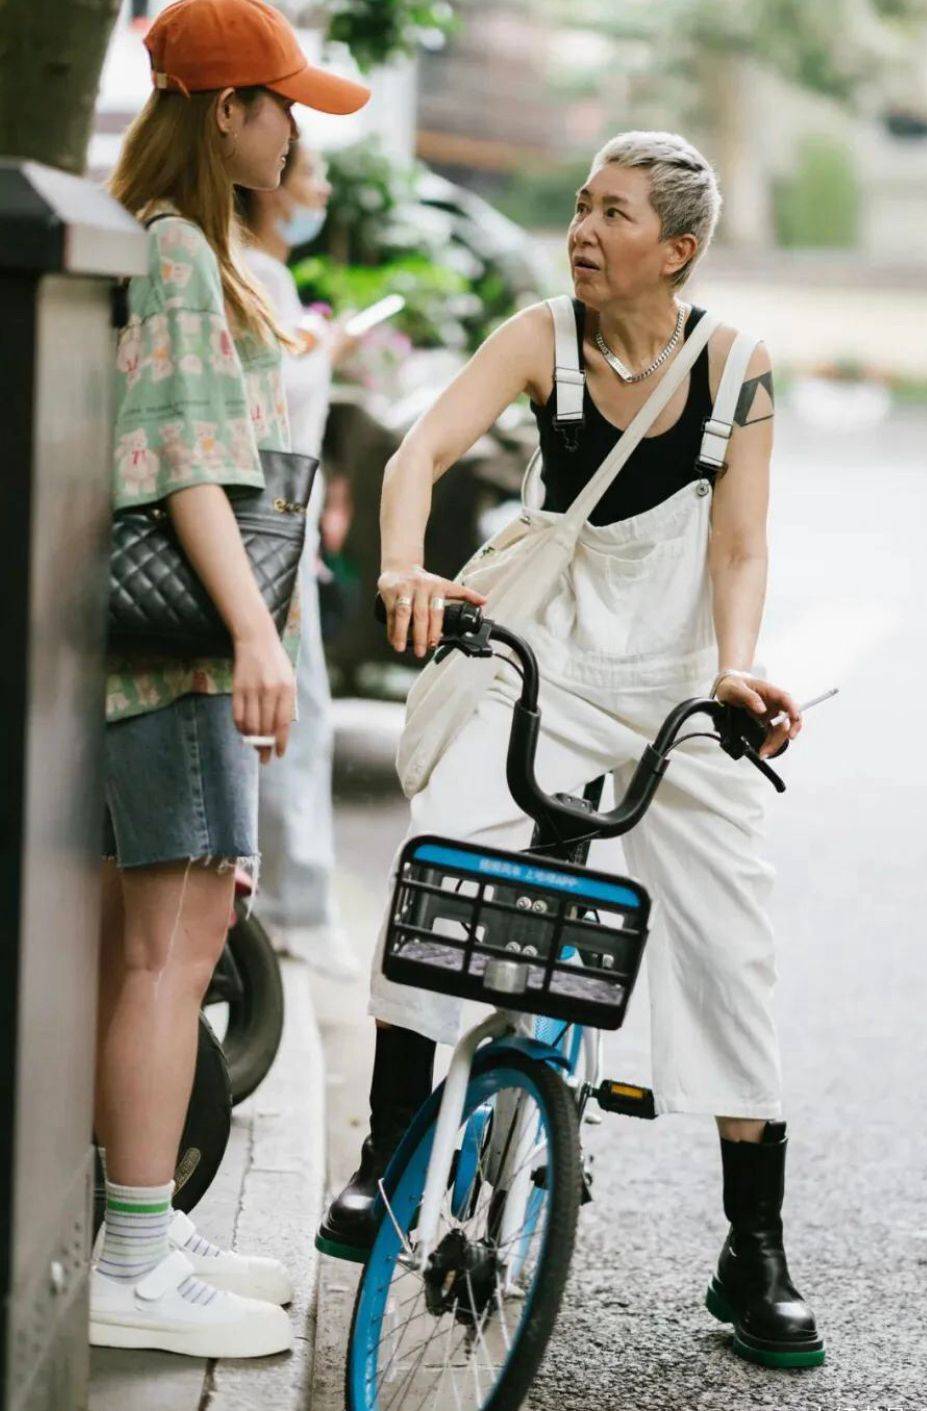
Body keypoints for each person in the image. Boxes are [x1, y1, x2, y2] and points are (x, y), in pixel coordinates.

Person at [319, 131, 826, 1370]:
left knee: (731, 937)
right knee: (447, 858)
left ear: (678, 249)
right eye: (580, 204)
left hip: (674, 681)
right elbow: (419, 451)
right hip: (531, 652)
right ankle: (386, 1159)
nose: (582, 230)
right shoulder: (538, 336)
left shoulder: (732, 367)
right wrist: (400, 563)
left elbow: (741, 545)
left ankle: (751, 1249)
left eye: (613, 214)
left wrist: (732, 668)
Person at [94, 0, 367, 1359]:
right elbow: (188, 459)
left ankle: (143, 1225)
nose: (294, 127)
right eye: (282, 103)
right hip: (186, 649)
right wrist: (259, 640)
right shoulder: (183, 255)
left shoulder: (158, 241)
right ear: (224, 111)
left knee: (157, 943)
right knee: (170, 948)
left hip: (161, 652)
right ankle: (136, 1248)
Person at [238, 143, 361, 979]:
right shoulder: (256, 274)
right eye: (310, 174)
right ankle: (291, 908)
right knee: (294, 713)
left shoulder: (262, 273)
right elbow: (275, 402)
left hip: (285, 525)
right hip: (272, 529)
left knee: (294, 711)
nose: (318, 191)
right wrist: (328, 349)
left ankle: (288, 901)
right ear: (274, 190)